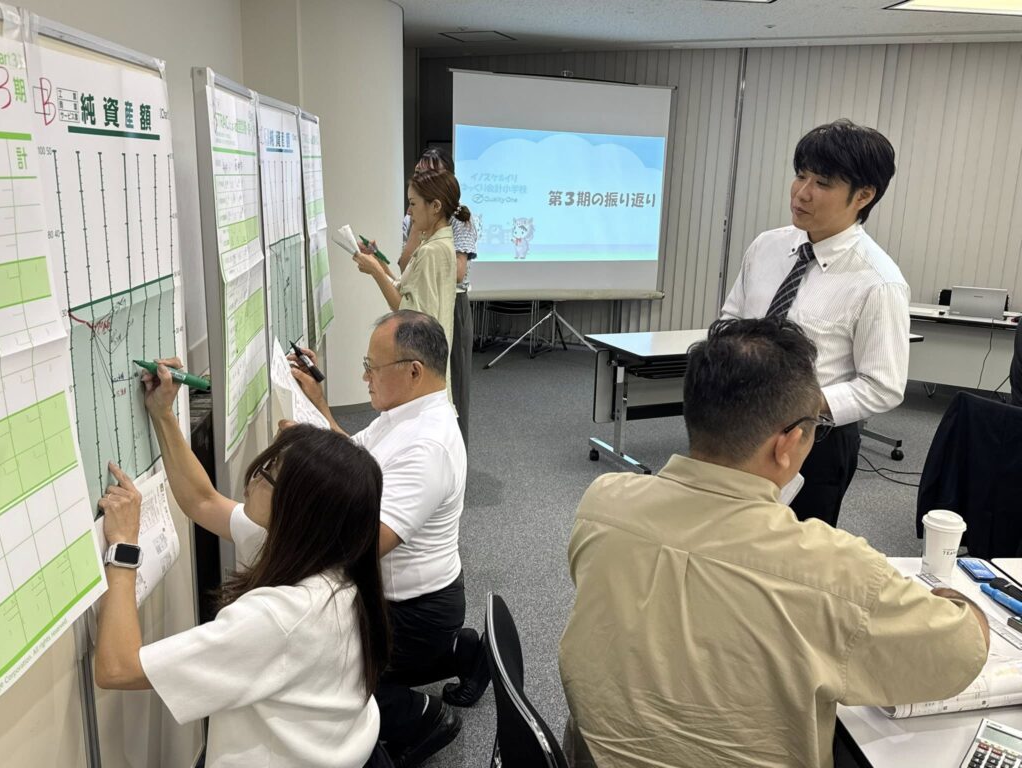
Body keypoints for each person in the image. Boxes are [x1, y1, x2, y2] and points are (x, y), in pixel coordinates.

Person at [559, 318, 989, 768]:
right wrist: (954, 596)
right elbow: (963, 649)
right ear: (787, 444)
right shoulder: (837, 571)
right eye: (817, 427)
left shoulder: (603, 502)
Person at [93, 358, 391, 768]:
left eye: (269, 473)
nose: (254, 477)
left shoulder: (278, 619)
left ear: (298, 511)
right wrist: (163, 415)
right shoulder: (333, 559)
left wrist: (124, 547)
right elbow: (202, 501)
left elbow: (117, 667)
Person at [289, 310, 489, 768]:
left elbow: (363, 546)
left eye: (371, 367)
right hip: (413, 600)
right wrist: (318, 406)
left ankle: (423, 717)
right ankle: (459, 650)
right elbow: (353, 458)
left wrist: (283, 536)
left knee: (322, 679)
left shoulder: (427, 445)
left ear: (413, 371)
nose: (365, 377)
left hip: (412, 611)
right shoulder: (402, 414)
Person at [721, 118, 910, 527]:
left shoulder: (878, 282)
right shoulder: (767, 246)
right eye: (800, 175)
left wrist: (799, 403)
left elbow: (883, 386)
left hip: (813, 440)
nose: (801, 193)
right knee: (728, 536)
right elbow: (732, 319)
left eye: (822, 183)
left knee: (792, 551)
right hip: (738, 422)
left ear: (863, 195)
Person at [353, 169, 469, 407]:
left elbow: (409, 314)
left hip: (420, 365)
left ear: (435, 206)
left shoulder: (432, 251)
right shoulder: (435, 244)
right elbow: (405, 289)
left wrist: (376, 272)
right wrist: (378, 262)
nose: (409, 211)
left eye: (413, 204)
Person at [400, 147, 477, 450]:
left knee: (451, 383)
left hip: (453, 304)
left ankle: (456, 456)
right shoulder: (413, 215)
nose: (423, 177)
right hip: (421, 297)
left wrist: (430, 247)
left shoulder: (459, 219)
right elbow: (405, 265)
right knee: (421, 383)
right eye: (420, 171)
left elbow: (457, 272)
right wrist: (416, 232)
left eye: (431, 171)